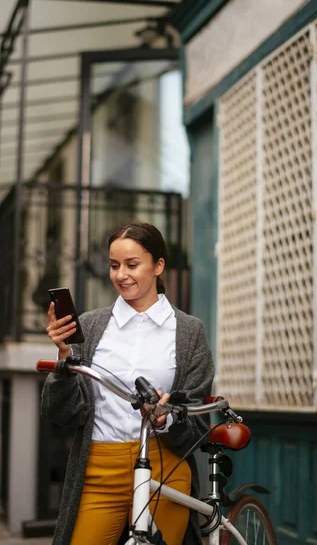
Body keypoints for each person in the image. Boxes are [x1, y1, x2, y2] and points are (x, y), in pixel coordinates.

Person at [42, 221, 215, 545]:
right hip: (98, 466)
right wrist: (64, 357)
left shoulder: (189, 331)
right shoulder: (91, 326)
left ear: (158, 265)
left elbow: (197, 418)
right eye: (114, 265)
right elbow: (63, 413)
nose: (121, 274)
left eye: (132, 264)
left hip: (163, 464)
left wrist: (168, 418)